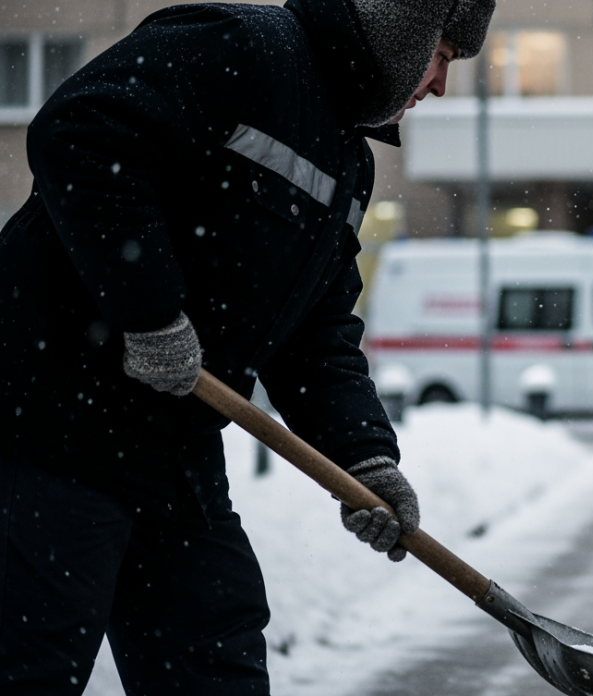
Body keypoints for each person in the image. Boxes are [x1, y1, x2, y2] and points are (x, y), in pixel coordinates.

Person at [0, 0, 494, 692]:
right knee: (30, 662)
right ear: (398, 28)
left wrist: (365, 457)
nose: (440, 82)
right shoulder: (240, 46)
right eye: (441, 54)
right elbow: (82, 132)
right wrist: (149, 309)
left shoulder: (349, 161)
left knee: (215, 660)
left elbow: (317, 333)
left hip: (174, 455)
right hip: (49, 423)